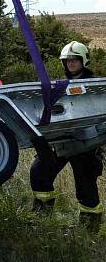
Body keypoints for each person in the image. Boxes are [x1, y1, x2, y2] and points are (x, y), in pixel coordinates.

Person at [30, 41, 103, 232]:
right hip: (61, 141)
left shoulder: (96, 86)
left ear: (83, 61)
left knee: (86, 187)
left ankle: (90, 229)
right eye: (67, 60)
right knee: (39, 172)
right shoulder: (58, 86)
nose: (70, 63)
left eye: (74, 60)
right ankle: (42, 217)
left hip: (86, 144)